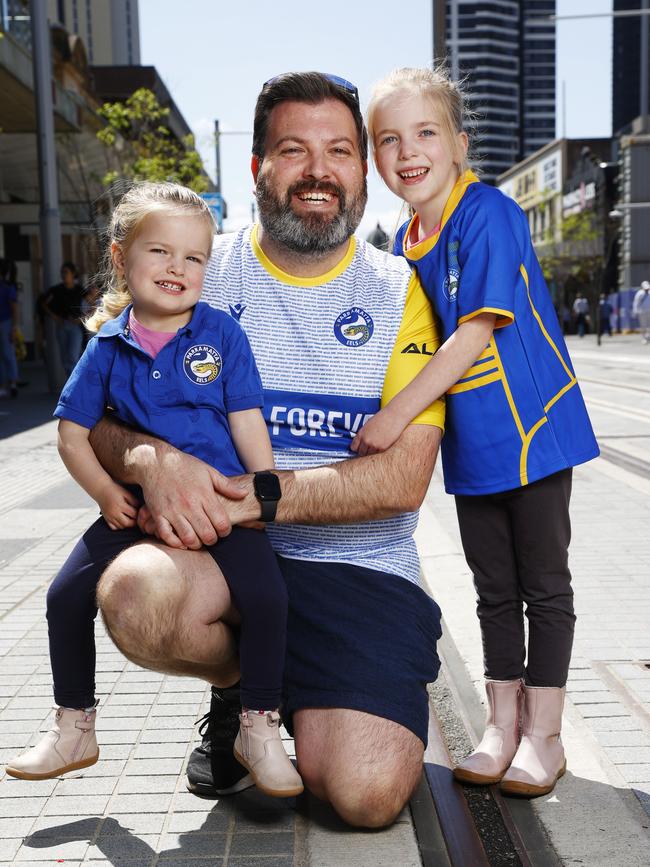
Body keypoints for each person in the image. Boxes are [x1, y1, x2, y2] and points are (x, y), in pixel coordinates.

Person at [76, 73, 446, 828]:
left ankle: (297, 691)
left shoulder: (402, 292)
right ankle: (244, 690)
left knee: (366, 794)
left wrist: (263, 492)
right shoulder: (198, 274)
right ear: (257, 169)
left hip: (362, 567)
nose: (318, 170)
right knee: (133, 596)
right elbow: (95, 415)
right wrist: (150, 459)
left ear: (362, 171)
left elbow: (405, 477)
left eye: (340, 150)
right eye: (293, 149)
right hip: (230, 558)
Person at [5, 182, 303, 798]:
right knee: (63, 597)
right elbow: (71, 435)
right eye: (160, 252)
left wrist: (262, 488)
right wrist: (104, 497)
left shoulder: (220, 334)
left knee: (271, 600)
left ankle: (258, 727)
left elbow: (247, 417)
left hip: (222, 505)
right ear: (121, 258)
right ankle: (74, 726)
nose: (177, 268)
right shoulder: (107, 346)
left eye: (194, 258)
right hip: (133, 508)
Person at [351, 67, 599, 798]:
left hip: (532, 428)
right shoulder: (405, 237)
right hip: (471, 443)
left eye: (425, 132)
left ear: (458, 143)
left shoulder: (488, 211)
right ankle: (500, 725)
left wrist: (396, 418)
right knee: (493, 588)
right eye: (388, 139)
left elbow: (473, 333)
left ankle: (545, 736)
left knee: (543, 585)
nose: (408, 150)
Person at [41, 261, 85, 376]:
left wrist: (82, 318)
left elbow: (94, 304)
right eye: (62, 272)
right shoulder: (56, 290)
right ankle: (71, 384)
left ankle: (75, 386)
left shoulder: (79, 290)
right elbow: (44, 304)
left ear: (73, 274)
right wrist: (55, 317)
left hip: (75, 326)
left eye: (66, 272)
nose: (64, 275)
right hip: (62, 325)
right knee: (65, 359)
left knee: (73, 356)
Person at [0, 258, 19, 398]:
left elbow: (14, 309)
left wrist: (13, 328)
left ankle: (12, 383)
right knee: (5, 354)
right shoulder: (8, 286)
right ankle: (4, 384)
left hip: (6, 322)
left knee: (8, 353)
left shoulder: (7, 287)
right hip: (5, 322)